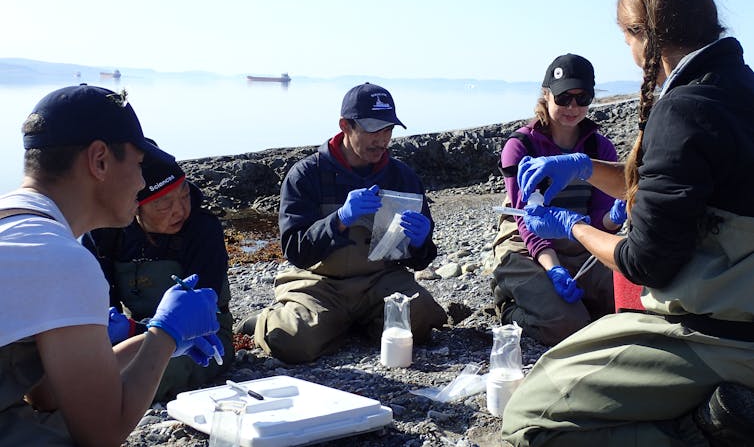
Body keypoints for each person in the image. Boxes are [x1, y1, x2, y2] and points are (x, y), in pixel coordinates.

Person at [501, 0, 754, 446]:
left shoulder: (684, 109)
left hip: (716, 329)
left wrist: (573, 226)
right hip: (742, 307)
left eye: (628, 38)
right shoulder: (736, 88)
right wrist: (583, 167)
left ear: (645, 33)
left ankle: (703, 430)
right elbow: (665, 187)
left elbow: (645, 262)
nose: (631, 52)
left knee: (529, 418)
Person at [0, 84, 222, 446]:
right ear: (100, 159)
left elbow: (45, 394)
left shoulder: (17, 227)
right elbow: (101, 434)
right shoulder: (64, 260)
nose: (140, 182)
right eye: (137, 164)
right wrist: (166, 335)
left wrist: (158, 338)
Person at [235, 82, 447, 364]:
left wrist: (421, 242)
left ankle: (346, 324)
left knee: (421, 320)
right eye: (373, 129)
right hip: (320, 284)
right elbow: (296, 251)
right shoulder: (306, 175)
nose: (382, 140)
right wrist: (339, 220)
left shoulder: (402, 177)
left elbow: (420, 261)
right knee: (292, 341)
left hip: (379, 281)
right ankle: (265, 320)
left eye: (388, 130)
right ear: (345, 126)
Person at [83, 141, 234, 402]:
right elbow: (98, 306)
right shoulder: (105, 234)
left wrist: (137, 332)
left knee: (128, 379)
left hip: (199, 339)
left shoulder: (202, 229)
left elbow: (201, 314)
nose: (180, 211)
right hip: (135, 333)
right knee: (74, 372)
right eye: (164, 205)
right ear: (134, 207)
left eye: (185, 194)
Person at [489, 54, 624, 346]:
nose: (572, 107)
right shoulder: (520, 146)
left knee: (629, 303)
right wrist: (553, 268)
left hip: (580, 242)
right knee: (568, 327)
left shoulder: (599, 148)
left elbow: (599, 219)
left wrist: (614, 217)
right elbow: (527, 222)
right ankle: (510, 306)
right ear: (546, 95)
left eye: (582, 97)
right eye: (563, 98)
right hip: (527, 247)